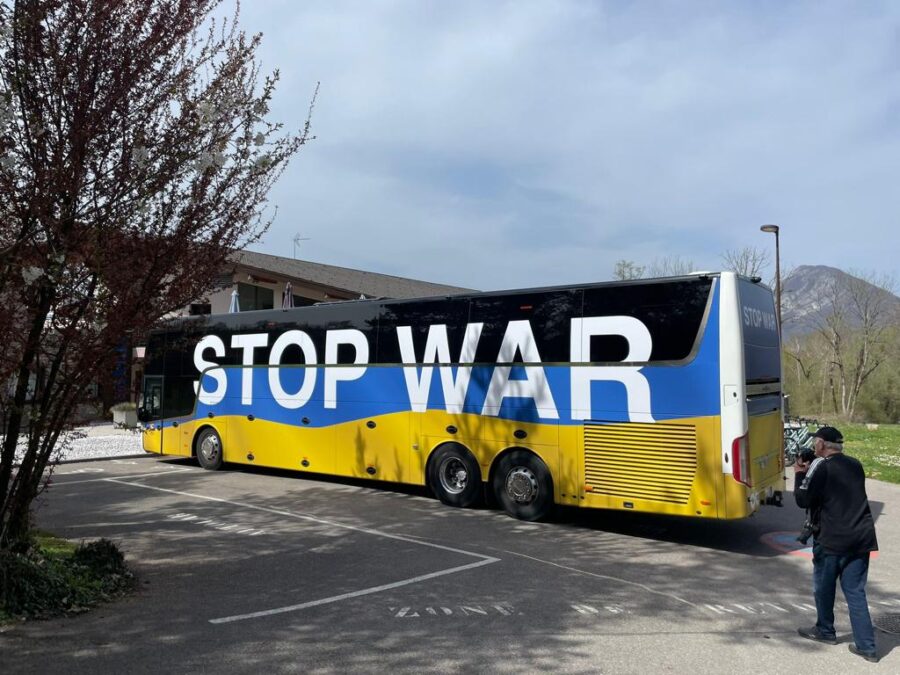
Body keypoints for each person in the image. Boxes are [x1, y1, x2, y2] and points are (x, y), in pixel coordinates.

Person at [794, 426, 879, 663]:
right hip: (861, 538)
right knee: (855, 592)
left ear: (821, 444)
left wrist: (801, 472)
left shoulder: (821, 467)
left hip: (832, 540)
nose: (813, 447)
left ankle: (825, 630)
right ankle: (867, 647)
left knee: (823, 587)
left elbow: (803, 500)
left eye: (815, 443)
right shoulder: (855, 465)